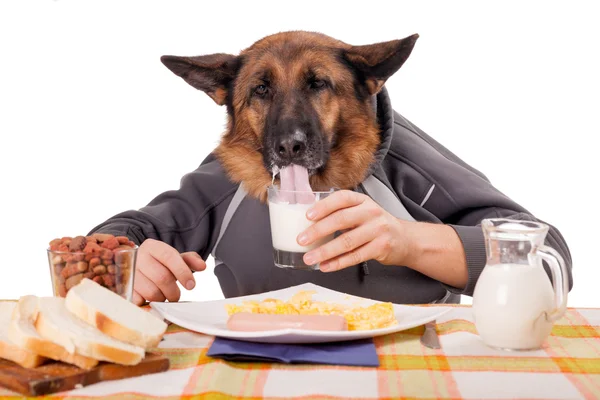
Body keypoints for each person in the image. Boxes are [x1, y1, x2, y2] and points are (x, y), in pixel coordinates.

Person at [89, 88, 573, 306]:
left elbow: (550, 258)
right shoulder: (239, 167)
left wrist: (406, 240)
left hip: (410, 373)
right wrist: (125, 266)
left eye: (317, 86)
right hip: (255, 376)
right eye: (262, 93)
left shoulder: (405, 162)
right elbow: (113, 240)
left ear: (363, 89)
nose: (290, 132)